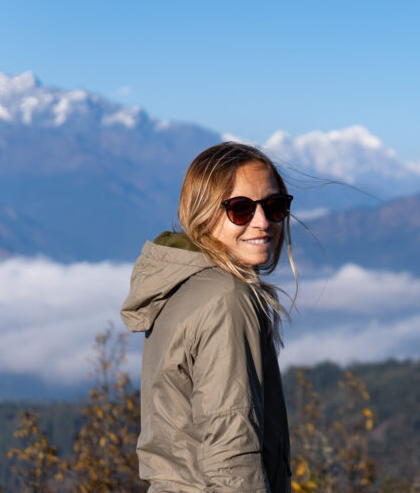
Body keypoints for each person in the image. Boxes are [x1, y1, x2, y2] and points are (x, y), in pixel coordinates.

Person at [121, 142, 294, 492]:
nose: (263, 222)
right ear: (203, 213)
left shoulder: (181, 287)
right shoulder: (228, 299)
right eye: (241, 209)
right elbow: (233, 455)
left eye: (275, 206)